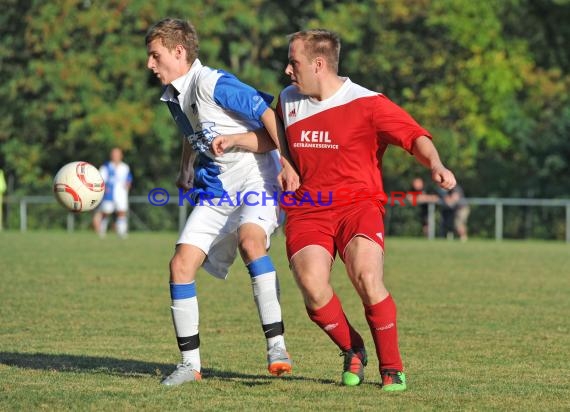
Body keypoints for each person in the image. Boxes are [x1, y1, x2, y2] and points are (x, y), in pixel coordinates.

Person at [274, 29, 457, 391]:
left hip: (359, 205)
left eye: (294, 62)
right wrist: (284, 161)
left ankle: (392, 367)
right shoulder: (287, 99)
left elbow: (414, 135)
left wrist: (435, 164)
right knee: (312, 286)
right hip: (308, 208)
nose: (287, 70)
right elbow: (273, 133)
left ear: (319, 64)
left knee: (367, 277)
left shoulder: (368, 103)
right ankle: (352, 348)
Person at [145, 18, 296, 386]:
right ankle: (189, 365)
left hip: (256, 177)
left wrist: (289, 164)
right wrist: (185, 169)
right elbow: (192, 133)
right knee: (180, 264)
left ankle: (277, 346)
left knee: (250, 241)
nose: (150, 64)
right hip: (216, 190)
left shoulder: (214, 83)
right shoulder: (174, 95)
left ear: (179, 52)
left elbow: (270, 117)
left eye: (155, 55)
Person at [95, 147, 133, 239]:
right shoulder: (106, 166)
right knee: (106, 212)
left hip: (121, 194)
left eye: (117, 154)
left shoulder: (125, 167)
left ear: (121, 155)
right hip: (109, 193)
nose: (115, 156)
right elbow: (100, 179)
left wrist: (128, 184)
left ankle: (122, 232)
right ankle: (102, 231)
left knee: (121, 212)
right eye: (114, 154)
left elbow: (129, 178)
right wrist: (103, 188)